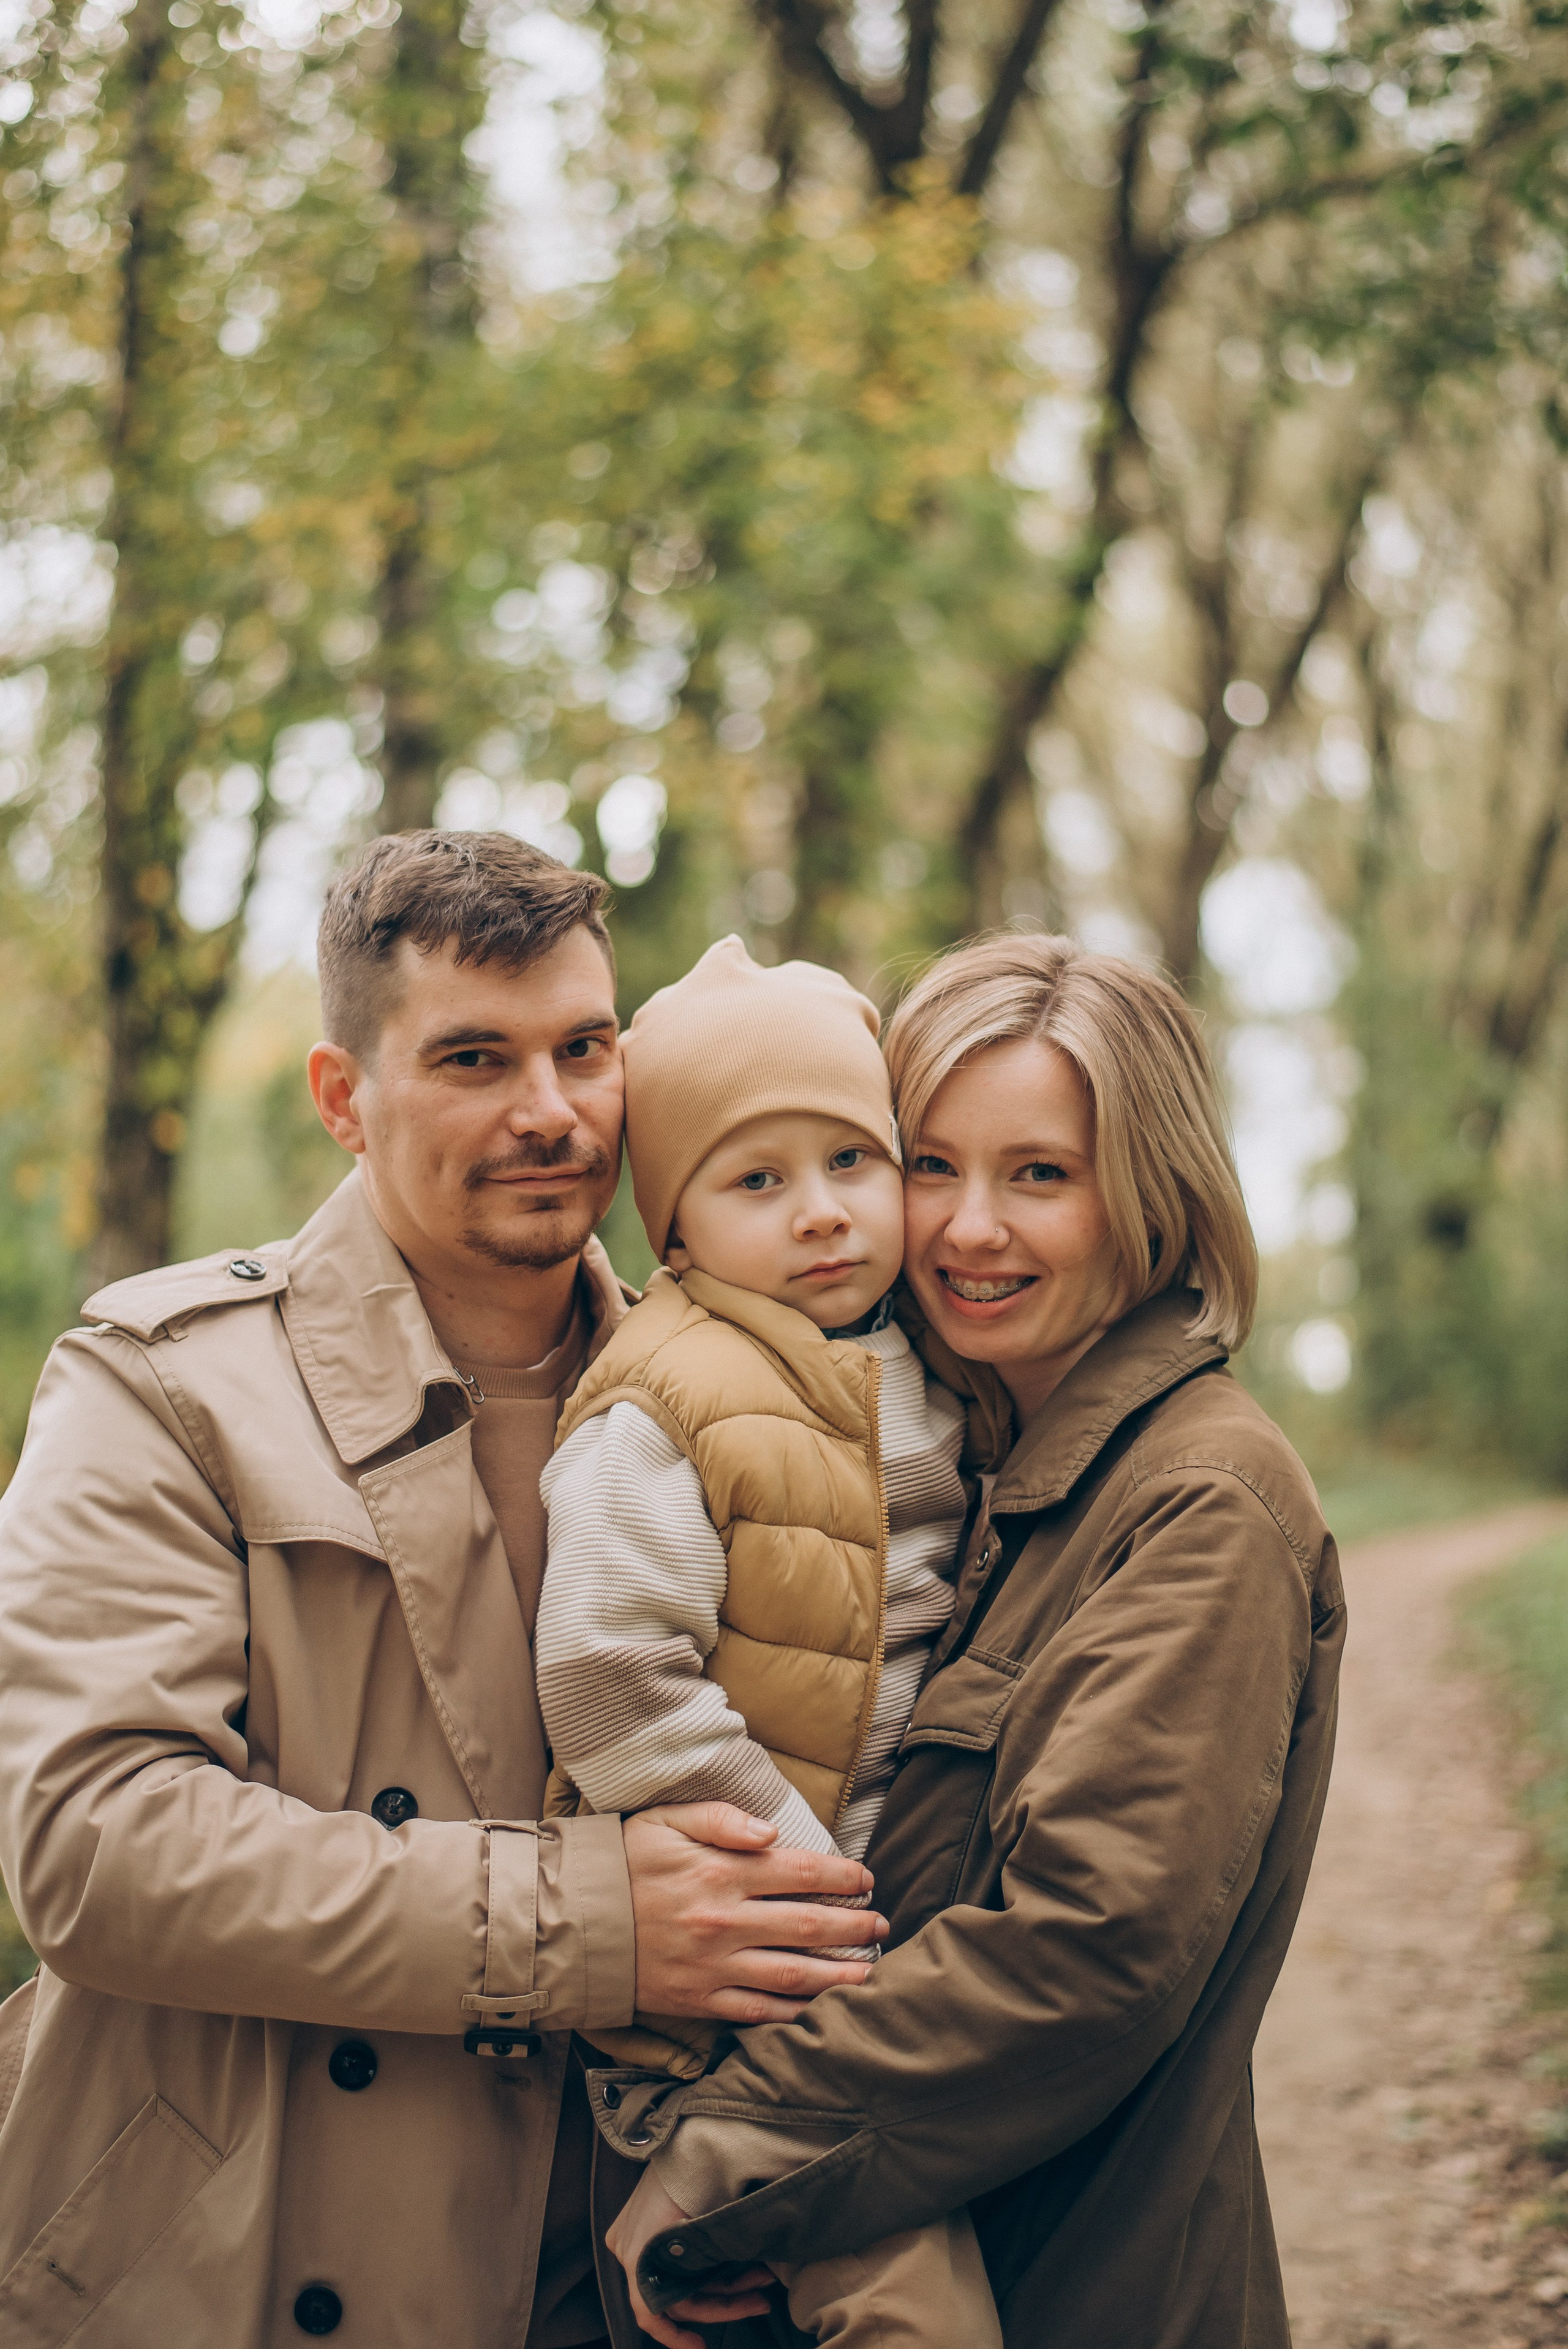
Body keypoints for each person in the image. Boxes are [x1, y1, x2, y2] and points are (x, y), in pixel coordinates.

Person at [0, 831, 883, 2349]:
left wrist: (749, 2170)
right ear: (344, 1097)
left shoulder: (750, 1402)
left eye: (582, 1049)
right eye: (474, 1058)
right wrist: (589, 1923)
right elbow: (95, 1846)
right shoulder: (164, 1389)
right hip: (244, 2273)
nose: (548, 1110)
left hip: (614, 2281)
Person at [599, 932, 1346, 2349]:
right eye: (929, 1163)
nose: (966, 1228)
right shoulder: (943, 1461)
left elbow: (1085, 1951)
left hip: (1079, 2283)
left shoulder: (1199, 1497)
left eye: (1039, 1174)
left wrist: (727, 2153)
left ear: (1150, 1190)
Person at [534, 937, 1009, 2348]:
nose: (820, 1212)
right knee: (916, 2306)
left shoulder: (918, 1361)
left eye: (853, 1161)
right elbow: (608, 1675)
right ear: (673, 1233)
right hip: (746, 1972)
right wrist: (796, 1880)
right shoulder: (663, 1402)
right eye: (756, 1180)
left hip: (862, 1943)